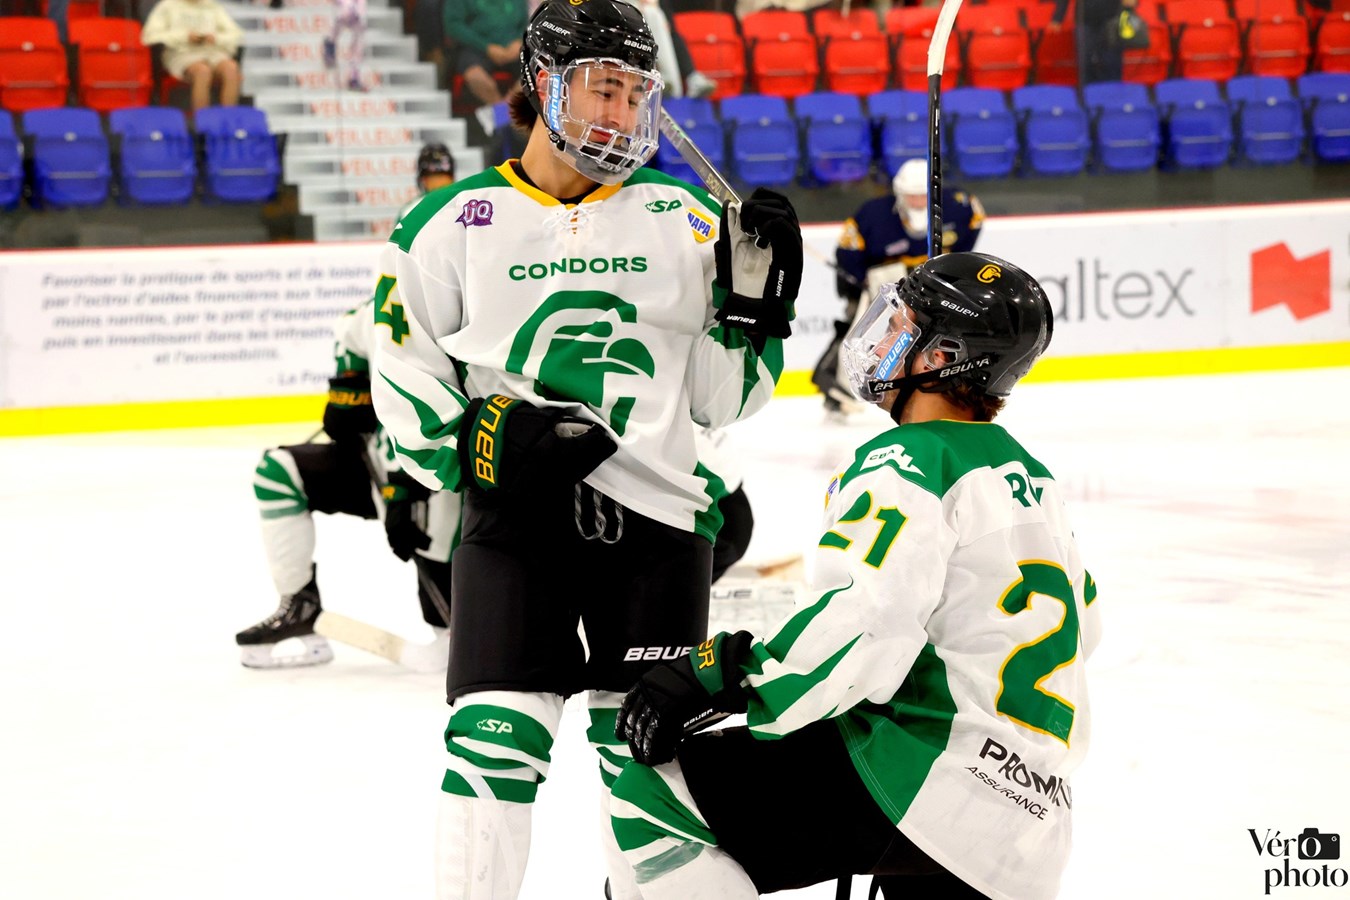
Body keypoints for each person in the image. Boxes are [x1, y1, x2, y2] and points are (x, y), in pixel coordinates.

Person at [367, 0, 802, 894]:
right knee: (491, 752)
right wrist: (470, 445)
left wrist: (757, 317)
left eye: (639, 95)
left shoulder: (687, 220)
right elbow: (403, 385)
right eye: (603, 90)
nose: (621, 115)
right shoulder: (448, 225)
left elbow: (724, 405)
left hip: (661, 529)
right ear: (541, 84)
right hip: (514, 523)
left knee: (644, 754)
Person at [611, 250, 1101, 900]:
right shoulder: (1033, 480)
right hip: (1032, 820)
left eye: (904, 328)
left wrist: (732, 673)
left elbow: (869, 622)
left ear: (938, 357)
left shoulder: (909, 460)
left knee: (653, 791)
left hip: (927, 781)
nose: (883, 337)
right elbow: (1084, 631)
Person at [234, 296, 460, 669]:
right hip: (384, 464)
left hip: (444, 464)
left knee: (431, 531)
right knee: (279, 472)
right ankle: (299, 606)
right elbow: (349, 409)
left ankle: (463, 626)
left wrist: (405, 487)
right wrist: (346, 401)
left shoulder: (455, 303)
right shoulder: (365, 314)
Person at [811, 157, 984, 418]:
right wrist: (860, 280)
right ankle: (834, 386)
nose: (917, 202)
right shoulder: (872, 216)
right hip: (883, 284)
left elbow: (974, 226)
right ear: (899, 193)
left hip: (931, 285)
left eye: (922, 195)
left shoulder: (959, 206)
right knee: (862, 327)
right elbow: (848, 252)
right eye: (911, 195)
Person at [141, 0, 243, 115]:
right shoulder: (168, 6)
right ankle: (203, 123)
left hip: (212, 51)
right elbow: (150, 36)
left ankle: (228, 120)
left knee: (231, 68)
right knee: (202, 71)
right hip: (181, 53)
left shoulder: (212, 6)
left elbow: (236, 34)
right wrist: (184, 37)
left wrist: (216, 38)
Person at [442, 0, 529, 133]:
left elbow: (526, 23)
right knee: (475, 75)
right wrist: (486, 47)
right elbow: (453, 25)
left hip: (513, 48)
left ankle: (501, 118)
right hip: (476, 48)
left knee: (534, 73)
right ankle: (508, 122)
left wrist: (519, 41)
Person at [1048, 0, 1143, 84]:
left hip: (1112, 18)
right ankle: (1088, 97)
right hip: (1085, 19)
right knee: (1085, 62)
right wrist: (1058, 17)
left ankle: (1113, 97)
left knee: (1111, 62)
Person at [322, 0, 368, 91]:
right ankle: (330, 43)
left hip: (356, 13)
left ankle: (354, 77)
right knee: (341, 16)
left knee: (358, 43)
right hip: (343, 9)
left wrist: (358, 11)